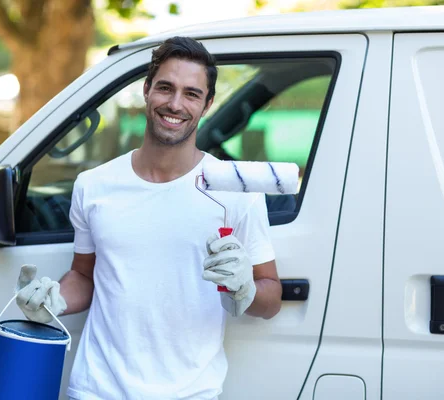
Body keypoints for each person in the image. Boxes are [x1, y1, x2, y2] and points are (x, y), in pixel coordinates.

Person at [15, 36, 282, 400]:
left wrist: (246, 290)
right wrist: (51, 300)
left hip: (190, 393)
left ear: (207, 104)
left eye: (191, 93)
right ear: (146, 90)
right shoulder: (94, 186)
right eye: (165, 88)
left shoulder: (236, 192)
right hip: (97, 390)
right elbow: (84, 275)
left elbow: (272, 298)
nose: (175, 104)